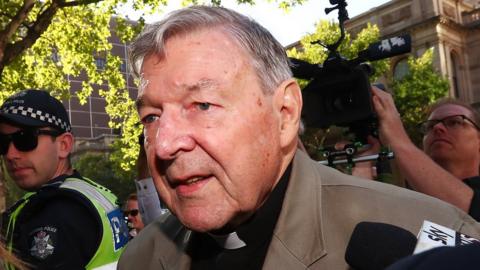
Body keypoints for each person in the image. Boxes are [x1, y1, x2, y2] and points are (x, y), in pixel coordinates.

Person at [118, 6, 480, 270]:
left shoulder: (429, 241)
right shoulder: (141, 258)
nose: (164, 144)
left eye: (201, 104)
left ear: (285, 114)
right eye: (151, 117)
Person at [0, 89, 128, 269]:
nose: (10, 154)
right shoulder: (93, 194)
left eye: (25, 139)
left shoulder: (58, 213)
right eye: (2, 142)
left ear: (64, 145)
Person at [371, 87, 480, 221]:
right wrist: (362, 165)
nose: (437, 128)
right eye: (430, 126)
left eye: (454, 122)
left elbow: (473, 210)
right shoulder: (406, 198)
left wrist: (396, 136)